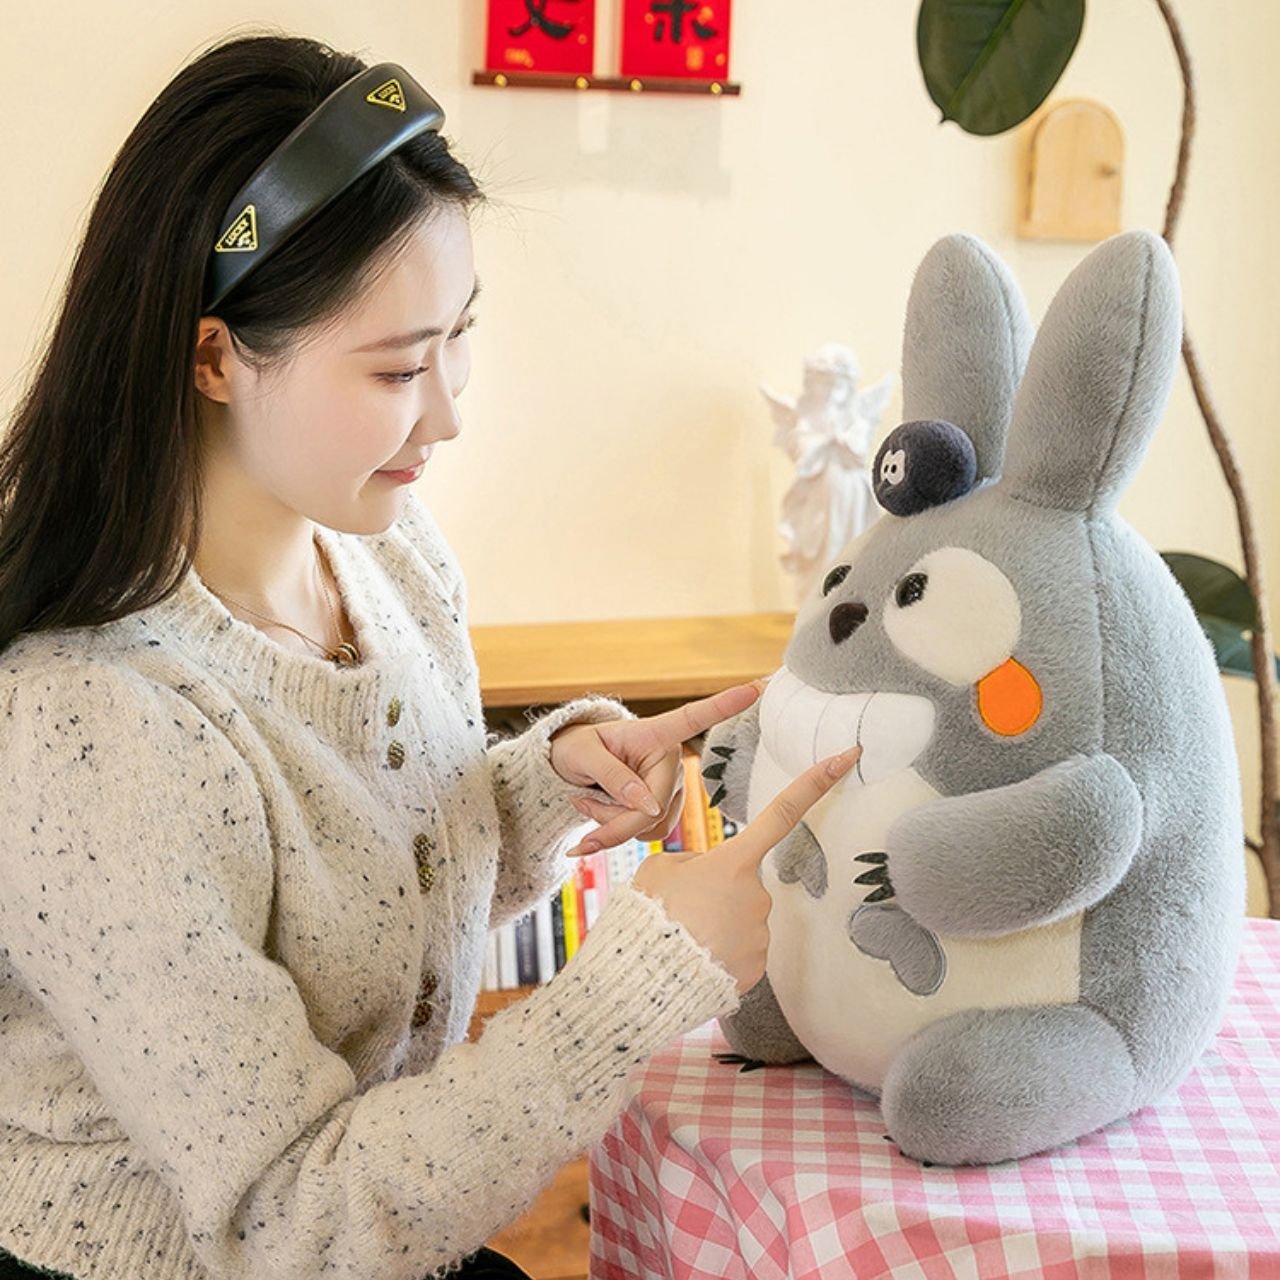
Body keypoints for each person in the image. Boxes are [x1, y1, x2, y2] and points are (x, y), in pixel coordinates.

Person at [0, 31, 862, 1280]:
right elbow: (288, 1222)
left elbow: (373, 890)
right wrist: (633, 988)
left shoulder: (387, 559)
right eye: (400, 365)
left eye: (459, 334)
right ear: (213, 356)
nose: (449, 410)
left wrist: (544, 783)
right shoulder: (90, 728)